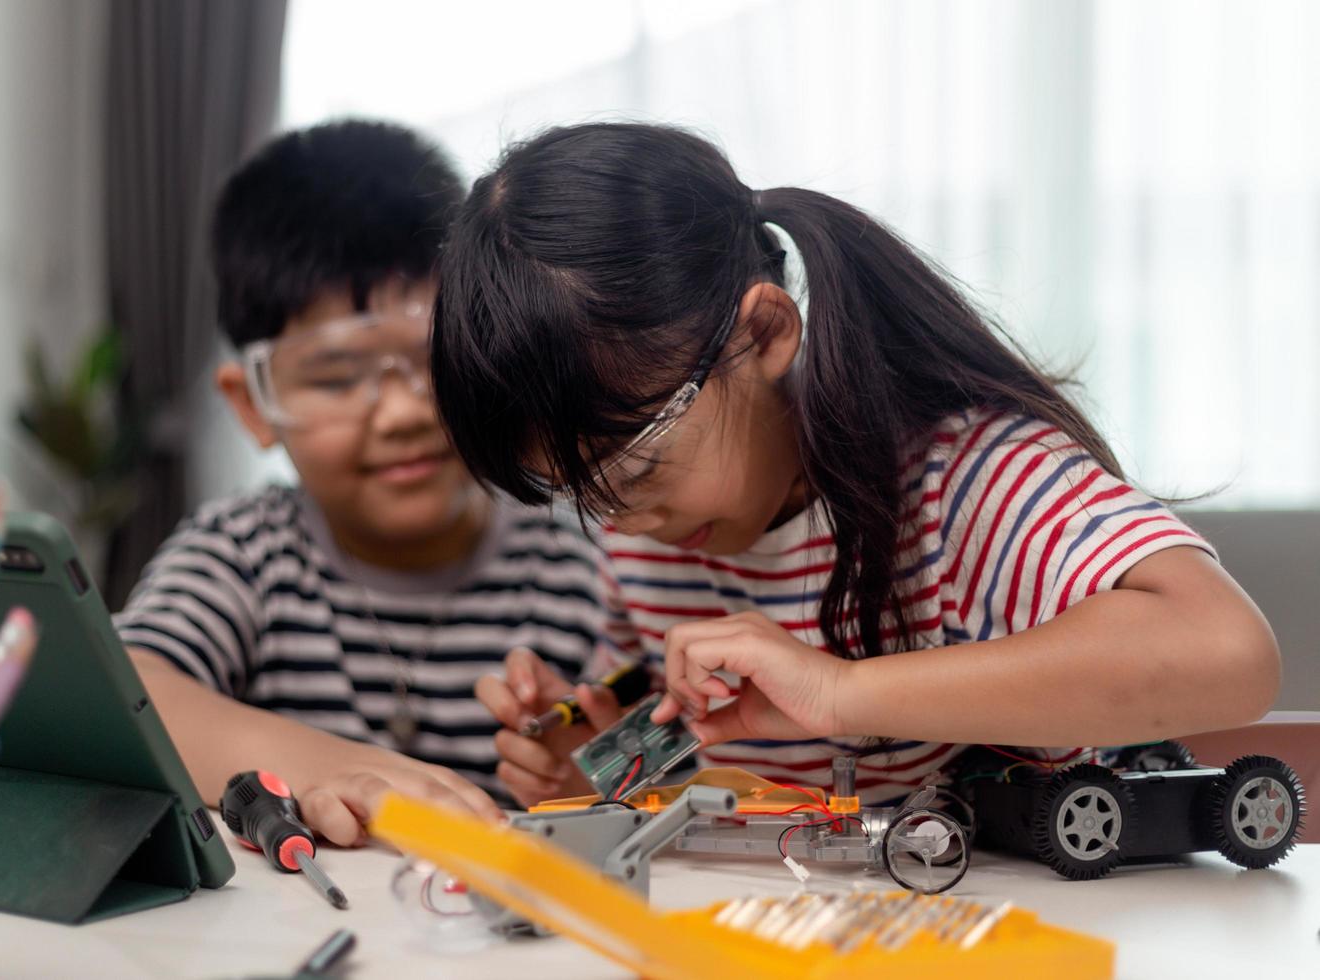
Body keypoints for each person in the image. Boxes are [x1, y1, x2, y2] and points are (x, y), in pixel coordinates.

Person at [430, 122, 1280, 807]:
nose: (618, 523)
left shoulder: (965, 480)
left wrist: (841, 692)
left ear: (762, 334)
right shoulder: (652, 539)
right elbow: (717, 767)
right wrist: (597, 766)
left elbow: (1229, 653)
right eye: (581, 495)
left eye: (639, 470)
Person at [116, 120, 610, 841]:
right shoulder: (245, 553)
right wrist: (327, 767)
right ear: (254, 404)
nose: (405, 413)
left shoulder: (579, 566)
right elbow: (131, 697)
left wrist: (583, 778)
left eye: (435, 358)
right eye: (339, 375)